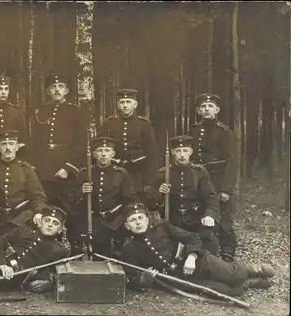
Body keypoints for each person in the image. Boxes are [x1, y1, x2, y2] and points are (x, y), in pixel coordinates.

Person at [116, 202, 275, 297]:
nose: (138, 223)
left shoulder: (163, 227)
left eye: (140, 218)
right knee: (226, 291)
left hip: (199, 260)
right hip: (181, 277)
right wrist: (144, 278)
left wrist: (191, 257)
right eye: (132, 220)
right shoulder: (129, 247)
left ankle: (252, 269)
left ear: (147, 218)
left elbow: (192, 238)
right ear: (127, 225)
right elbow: (130, 278)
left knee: (233, 275)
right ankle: (250, 283)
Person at [146, 135, 220, 256]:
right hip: (172, 221)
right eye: (178, 151)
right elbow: (151, 205)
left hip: (195, 218)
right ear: (172, 153)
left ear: (191, 152)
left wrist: (210, 215)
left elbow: (211, 197)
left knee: (209, 239)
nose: (182, 155)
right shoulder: (163, 173)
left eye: (185, 150)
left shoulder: (199, 172)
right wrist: (159, 193)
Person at [65, 136, 137, 256]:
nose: (103, 154)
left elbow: (129, 200)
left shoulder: (120, 174)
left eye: (107, 150)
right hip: (90, 220)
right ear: (94, 154)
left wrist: (119, 221)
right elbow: (73, 203)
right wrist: (82, 192)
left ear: (113, 154)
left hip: (114, 221)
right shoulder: (85, 173)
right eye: (100, 150)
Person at [188, 93, 238, 262]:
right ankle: (204, 249)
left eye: (210, 106)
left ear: (217, 109)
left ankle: (227, 252)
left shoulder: (224, 132)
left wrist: (226, 189)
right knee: (201, 212)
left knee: (224, 216)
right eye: (203, 106)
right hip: (199, 179)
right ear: (198, 110)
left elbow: (232, 161)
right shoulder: (194, 130)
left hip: (218, 178)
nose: (207, 109)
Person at [0, 130, 48, 244]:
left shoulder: (26, 169)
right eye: (3, 144)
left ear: (17, 147)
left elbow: (38, 197)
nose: (7, 147)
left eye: (11, 144)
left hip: (21, 219)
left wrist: (39, 212)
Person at [28, 73, 90, 208]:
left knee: (67, 206)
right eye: (53, 87)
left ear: (66, 91)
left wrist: (67, 168)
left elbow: (81, 144)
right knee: (45, 204)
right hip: (44, 169)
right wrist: (34, 164)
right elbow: (34, 141)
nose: (57, 90)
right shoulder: (41, 112)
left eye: (61, 86)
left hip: (65, 167)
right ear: (48, 91)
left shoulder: (75, 112)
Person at [99, 89, 158, 201]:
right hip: (115, 170)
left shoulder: (144, 125)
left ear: (135, 104)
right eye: (122, 102)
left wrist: (149, 181)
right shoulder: (109, 124)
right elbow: (99, 147)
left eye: (128, 102)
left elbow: (152, 154)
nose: (125, 105)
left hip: (137, 172)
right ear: (118, 105)